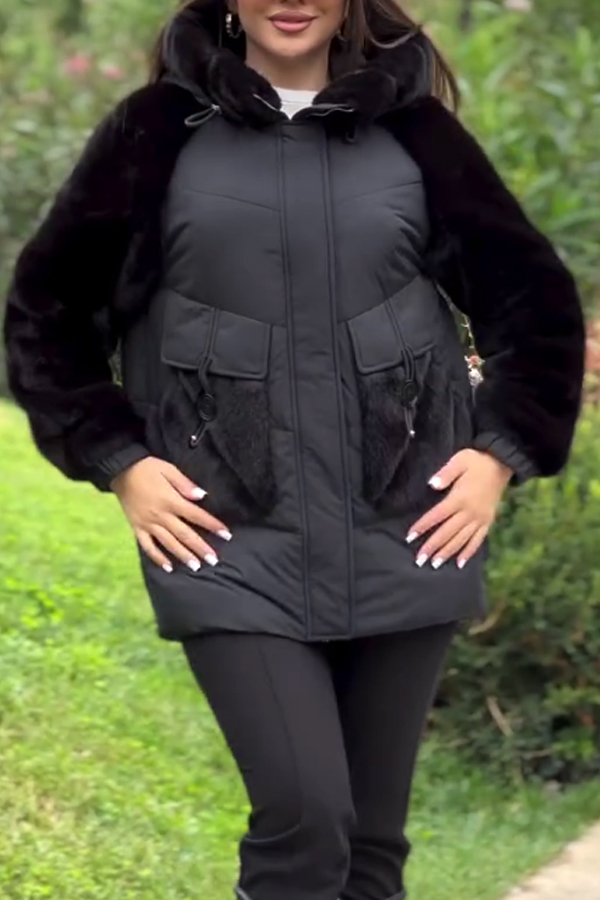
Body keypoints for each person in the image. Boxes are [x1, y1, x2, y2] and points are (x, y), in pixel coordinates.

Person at [2, 0, 586, 897]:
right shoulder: (156, 132)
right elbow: (46, 316)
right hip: (225, 535)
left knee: (371, 853)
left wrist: (496, 456)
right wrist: (123, 464)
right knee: (305, 822)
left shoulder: (416, 134)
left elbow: (537, 309)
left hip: (410, 527)